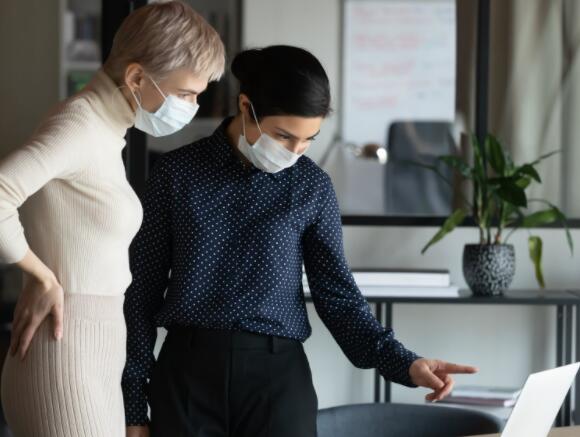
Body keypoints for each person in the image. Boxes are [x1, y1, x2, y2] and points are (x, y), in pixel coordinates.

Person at [123, 45, 477, 437]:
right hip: (187, 376)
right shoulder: (176, 173)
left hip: (277, 381)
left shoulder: (312, 187)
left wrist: (405, 364)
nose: (294, 152)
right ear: (246, 106)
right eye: (283, 136)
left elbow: (338, 297)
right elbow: (141, 292)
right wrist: (135, 405)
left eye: (308, 139)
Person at [0, 2, 225, 436]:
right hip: (64, 350)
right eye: (186, 94)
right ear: (137, 77)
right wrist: (40, 275)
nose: (194, 106)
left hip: (92, 347)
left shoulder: (107, 130)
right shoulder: (79, 124)